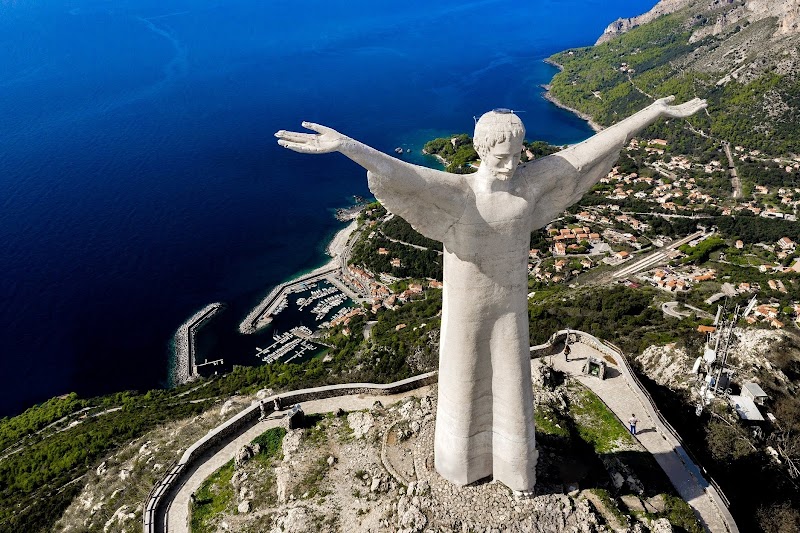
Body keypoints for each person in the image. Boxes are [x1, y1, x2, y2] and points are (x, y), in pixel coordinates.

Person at [276, 96, 705, 493]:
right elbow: (401, 174)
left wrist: (653, 111)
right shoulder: (460, 194)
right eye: (501, 158)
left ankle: (514, 466)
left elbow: (585, 154)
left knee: (512, 381)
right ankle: (460, 465)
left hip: (511, 305)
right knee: (464, 380)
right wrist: (346, 145)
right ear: (481, 150)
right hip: (466, 309)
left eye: (517, 155)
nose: (510, 166)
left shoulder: (528, 183)